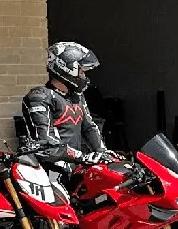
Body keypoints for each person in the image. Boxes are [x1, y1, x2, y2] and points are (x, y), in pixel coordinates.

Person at [21, 42, 115, 180]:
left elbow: (89, 127)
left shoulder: (77, 97)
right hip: (49, 172)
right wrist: (81, 156)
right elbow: (46, 143)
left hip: (75, 168)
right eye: (82, 71)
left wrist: (103, 152)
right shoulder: (40, 97)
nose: (84, 77)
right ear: (66, 68)